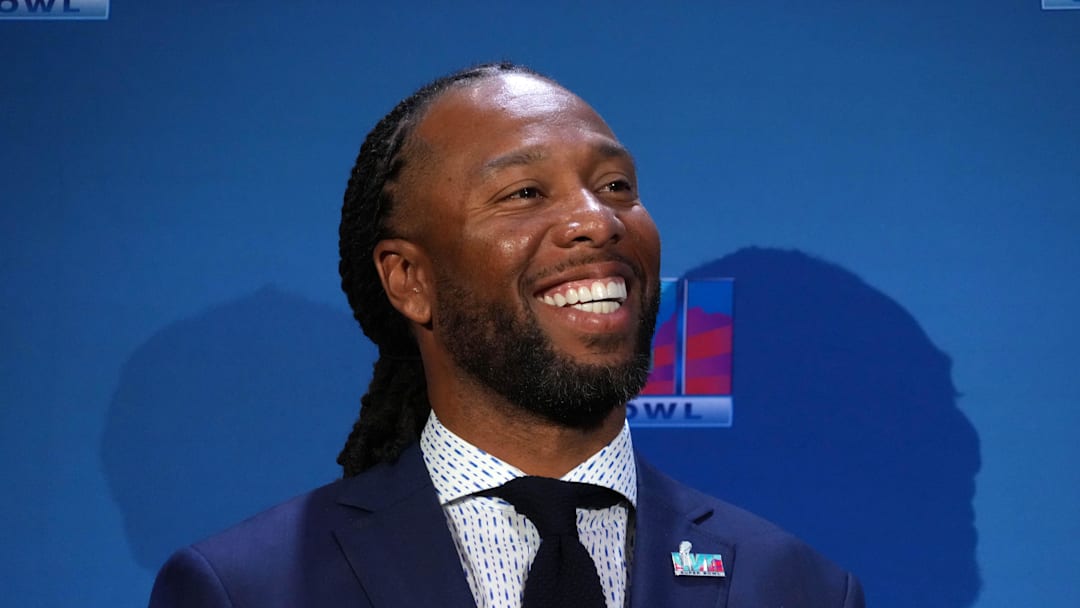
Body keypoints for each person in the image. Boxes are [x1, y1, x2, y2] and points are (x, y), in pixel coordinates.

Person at [148, 62, 865, 608]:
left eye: (616, 186)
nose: (599, 220)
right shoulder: (248, 590)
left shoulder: (798, 587)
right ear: (409, 280)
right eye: (524, 193)